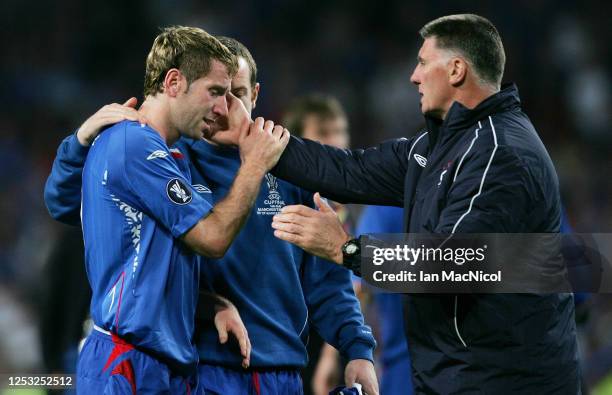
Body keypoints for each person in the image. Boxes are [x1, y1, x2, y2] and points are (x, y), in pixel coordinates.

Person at [44, 36, 379, 395]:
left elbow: (326, 277)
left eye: (235, 93)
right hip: (197, 368)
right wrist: (79, 141)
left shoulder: (288, 169)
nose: (223, 107)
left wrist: (357, 349)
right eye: (216, 93)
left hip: (281, 373)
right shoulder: (169, 159)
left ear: (255, 95)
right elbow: (68, 203)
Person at [270, 14, 580, 394]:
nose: (413, 77)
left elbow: (451, 265)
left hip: (502, 383)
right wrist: (259, 142)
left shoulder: (500, 154)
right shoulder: (438, 145)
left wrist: (346, 249)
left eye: (421, 63)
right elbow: (348, 170)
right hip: (457, 377)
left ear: (456, 70)